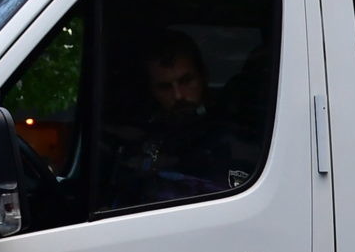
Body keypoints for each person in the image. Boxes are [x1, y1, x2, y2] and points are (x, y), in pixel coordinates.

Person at [107, 36, 252, 208]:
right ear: (151, 89)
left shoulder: (233, 138)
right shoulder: (146, 134)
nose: (178, 95)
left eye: (186, 81)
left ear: (203, 76)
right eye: (165, 87)